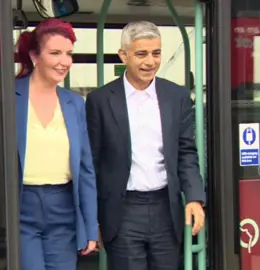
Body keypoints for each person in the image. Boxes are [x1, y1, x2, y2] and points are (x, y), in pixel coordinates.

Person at [86, 21, 206, 270]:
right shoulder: (99, 100)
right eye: (141, 54)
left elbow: (186, 151)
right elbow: (93, 163)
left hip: (166, 208)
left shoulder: (177, 96)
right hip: (122, 211)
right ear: (124, 55)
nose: (150, 62)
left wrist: (194, 197)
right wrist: (93, 219)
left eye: (156, 53)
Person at [14, 18, 98, 270]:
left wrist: (91, 227)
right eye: (55, 53)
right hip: (21, 208)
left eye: (69, 54)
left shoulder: (75, 103)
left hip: (64, 209)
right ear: (34, 56)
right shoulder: (9, 97)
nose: (65, 61)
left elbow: (85, 170)